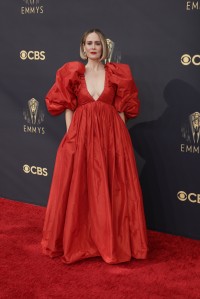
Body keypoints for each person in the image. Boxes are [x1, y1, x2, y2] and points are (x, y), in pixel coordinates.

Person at [41, 28, 148, 264]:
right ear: (83, 47)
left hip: (112, 138)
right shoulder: (73, 74)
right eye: (89, 43)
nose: (93, 47)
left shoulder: (117, 74)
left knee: (112, 188)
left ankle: (111, 242)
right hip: (82, 136)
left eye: (97, 43)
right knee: (82, 187)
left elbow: (122, 110)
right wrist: (71, 137)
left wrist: (121, 141)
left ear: (104, 48)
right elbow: (68, 107)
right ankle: (82, 242)